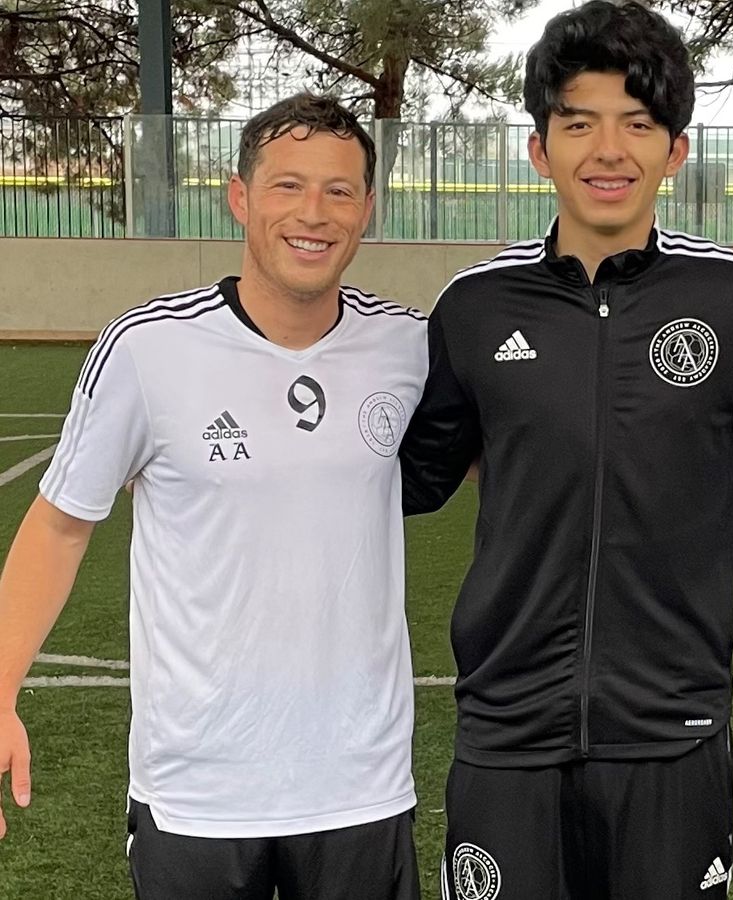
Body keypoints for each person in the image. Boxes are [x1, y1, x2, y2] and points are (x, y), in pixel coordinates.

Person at [399, 2, 733, 897]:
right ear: (539, 149)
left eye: (638, 124)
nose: (608, 151)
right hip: (507, 725)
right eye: (579, 124)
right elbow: (411, 481)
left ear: (676, 151)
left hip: (672, 729)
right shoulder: (475, 307)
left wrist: (702, 536)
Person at [0, 93, 427, 900]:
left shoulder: (409, 347)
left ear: (367, 209)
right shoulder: (148, 347)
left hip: (361, 786)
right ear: (239, 197)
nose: (314, 213)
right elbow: (59, 528)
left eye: (339, 191)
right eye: (287, 185)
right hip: (198, 792)